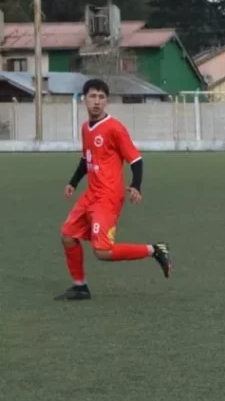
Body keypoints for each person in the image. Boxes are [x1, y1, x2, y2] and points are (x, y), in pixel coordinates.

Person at [57, 78, 172, 301]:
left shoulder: (115, 128)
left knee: (102, 252)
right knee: (68, 236)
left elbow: (136, 160)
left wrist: (136, 185)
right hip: (91, 194)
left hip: (108, 197)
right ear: (84, 99)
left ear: (107, 101)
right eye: (92, 96)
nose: (97, 102)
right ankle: (80, 286)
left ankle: (154, 249)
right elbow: (85, 159)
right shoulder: (85, 128)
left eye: (101, 97)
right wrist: (73, 182)